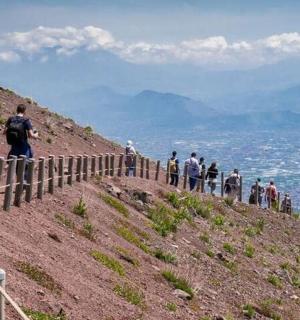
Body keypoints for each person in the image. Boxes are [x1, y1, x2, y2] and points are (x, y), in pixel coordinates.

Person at [4, 104, 38, 181]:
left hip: (13, 146)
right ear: (24, 111)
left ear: (17, 110)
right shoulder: (26, 120)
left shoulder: (11, 119)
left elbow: (4, 132)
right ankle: (23, 185)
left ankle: (12, 184)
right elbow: (31, 135)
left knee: (14, 165)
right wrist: (36, 134)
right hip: (23, 147)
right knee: (26, 165)